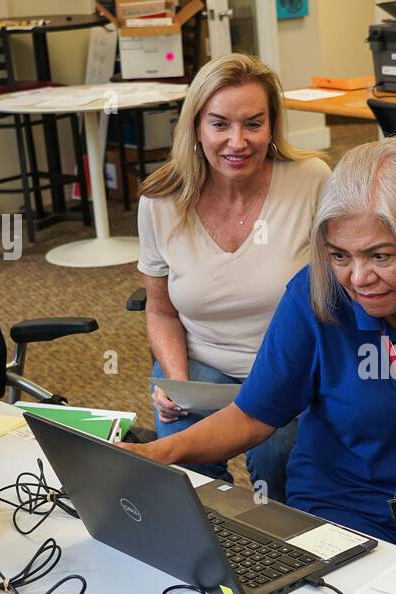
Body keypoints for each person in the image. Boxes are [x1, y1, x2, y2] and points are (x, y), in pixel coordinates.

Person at [124, 136, 396, 589]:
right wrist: (156, 453)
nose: (358, 279)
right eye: (340, 255)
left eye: (381, 256)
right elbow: (253, 417)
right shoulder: (312, 294)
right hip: (343, 503)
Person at [136, 53, 330, 501]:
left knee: (278, 461)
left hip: (292, 366)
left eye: (253, 124)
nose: (237, 142)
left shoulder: (310, 180)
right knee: (184, 466)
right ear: (196, 127)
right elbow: (161, 309)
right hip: (203, 365)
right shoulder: (161, 200)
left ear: (272, 125)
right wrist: (176, 379)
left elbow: (344, 285)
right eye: (219, 124)